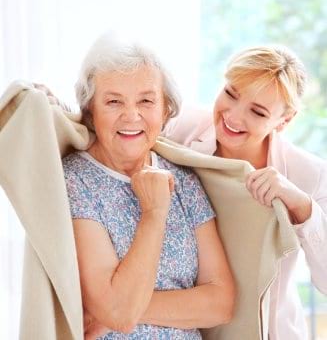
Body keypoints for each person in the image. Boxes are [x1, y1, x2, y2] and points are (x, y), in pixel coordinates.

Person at [61, 34, 235, 339]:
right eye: (114, 101)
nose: (131, 116)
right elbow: (119, 313)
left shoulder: (183, 180)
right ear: (91, 110)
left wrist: (120, 308)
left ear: (165, 109)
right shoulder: (75, 181)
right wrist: (154, 212)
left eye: (146, 100)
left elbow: (221, 303)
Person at [163, 45, 327, 340]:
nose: (234, 117)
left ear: (284, 121)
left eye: (257, 111)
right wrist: (55, 108)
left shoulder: (310, 175)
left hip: (269, 331)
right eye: (230, 93)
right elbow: (121, 123)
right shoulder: (182, 125)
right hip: (192, 321)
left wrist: (302, 208)